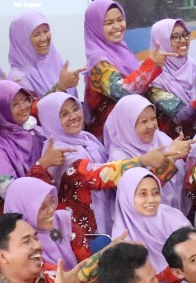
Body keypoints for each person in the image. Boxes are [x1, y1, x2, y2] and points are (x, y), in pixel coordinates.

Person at [37, 91, 129, 243]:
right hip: (84, 229)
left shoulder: (86, 138)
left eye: (75, 109)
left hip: (105, 214)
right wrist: (141, 162)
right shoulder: (57, 150)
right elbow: (95, 176)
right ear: (51, 120)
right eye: (64, 114)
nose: (73, 116)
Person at [82, 0, 164, 134]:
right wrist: (150, 65)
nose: (117, 26)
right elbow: (122, 92)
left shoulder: (123, 50)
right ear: (95, 27)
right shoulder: (98, 62)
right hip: (112, 134)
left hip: (132, 127)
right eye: (109, 23)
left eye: (120, 20)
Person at [103, 93, 192, 213]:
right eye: (144, 121)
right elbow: (141, 192)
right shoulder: (119, 157)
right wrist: (171, 159)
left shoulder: (160, 138)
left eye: (153, 118)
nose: (152, 126)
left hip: (174, 215)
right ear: (126, 125)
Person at [0, 80, 64, 199]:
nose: (24, 106)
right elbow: (9, 193)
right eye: (15, 104)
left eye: (25, 100)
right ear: (1, 109)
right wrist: (42, 165)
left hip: (52, 200)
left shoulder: (36, 130)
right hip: (25, 208)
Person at [113, 167, 195, 275]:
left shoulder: (173, 216)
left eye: (155, 193)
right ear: (126, 196)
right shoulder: (121, 237)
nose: (151, 200)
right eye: (143, 194)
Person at [2, 175, 91, 270]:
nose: (51, 210)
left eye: (51, 202)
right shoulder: (16, 246)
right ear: (24, 212)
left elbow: (88, 264)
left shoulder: (62, 222)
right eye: (43, 207)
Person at [146, 18, 196, 139]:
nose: (183, 40)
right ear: (162, 42)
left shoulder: (193, 65)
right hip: (174, 141)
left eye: (185, 35)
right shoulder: (155, 79)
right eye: (176, 37)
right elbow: (179, 116)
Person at [7, 11, 79, 99]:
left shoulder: (54, 61)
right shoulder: (18, 78)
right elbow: (32, 107)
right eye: (36, 34)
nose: (44, 38)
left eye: (46, 31)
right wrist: (60, 87)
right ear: (22, 41)